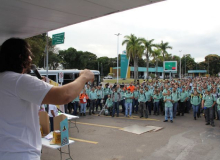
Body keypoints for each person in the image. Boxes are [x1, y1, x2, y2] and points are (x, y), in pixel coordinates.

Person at [0, 38, 94, 160]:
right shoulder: (19, 81)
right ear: (20, 57)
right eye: (29, 55)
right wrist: (84, 77)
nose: (31, 59)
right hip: (20, 154)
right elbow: (65, 95)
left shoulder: (6, 80)